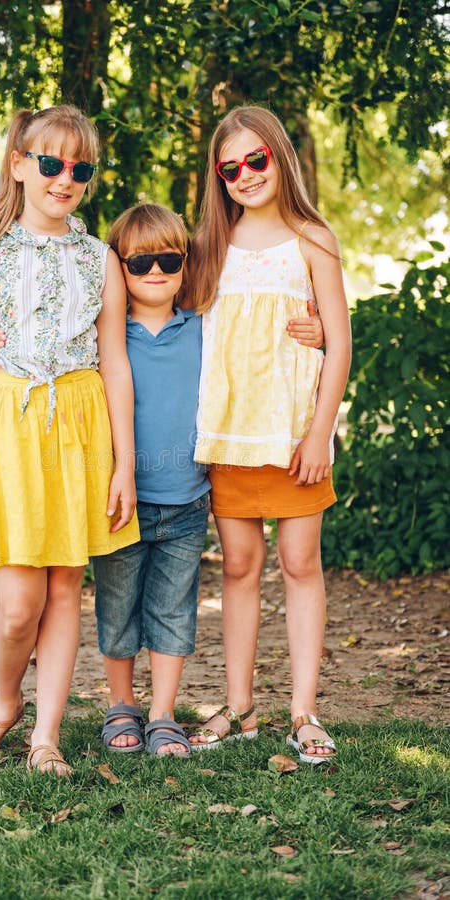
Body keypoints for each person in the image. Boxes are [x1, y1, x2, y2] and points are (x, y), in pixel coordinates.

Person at [0, 202, 324, 758]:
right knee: (117, 610)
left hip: (188, 498)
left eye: (169, 260)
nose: (155, 272)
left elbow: (259, 339)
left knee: (172, 609)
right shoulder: (98, 336)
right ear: (118, 268)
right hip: (120, 499)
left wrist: (318, 326)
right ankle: (121, 705)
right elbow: (42, 343)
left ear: (187, 264)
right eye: (139, 264)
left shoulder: (206, 325)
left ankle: (162, 713)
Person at [0, 105, 139, 777]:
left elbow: (114, 361)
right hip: (6, 426)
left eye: (80, 168)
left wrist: (125, 466)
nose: (66, 178)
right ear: (19, 164)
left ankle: (44, 736)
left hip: (81, 429)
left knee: (63, 591)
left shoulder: (98, 257)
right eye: (51, 163)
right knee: (18, 603)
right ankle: (3, 704)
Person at [185, 106, 352, 763]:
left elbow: (336, 345)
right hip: (230, 437)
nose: (246, 174)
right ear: (218, 178)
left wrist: (319, 433)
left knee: (299, 564)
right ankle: (240, 707)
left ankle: (303, 712)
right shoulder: (208, 247)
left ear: (279, 157)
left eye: (257, 159)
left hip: (292, 437)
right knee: (239, 567)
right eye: (231, 168)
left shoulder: (312, 238)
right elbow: (167, 321)